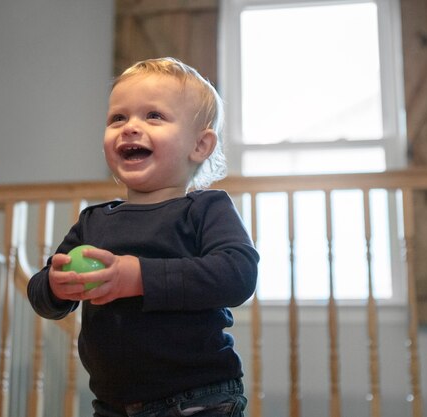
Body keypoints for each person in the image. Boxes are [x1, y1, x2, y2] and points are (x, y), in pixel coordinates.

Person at [27, 57, 259, 417]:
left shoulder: (206, 209)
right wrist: (57, 287)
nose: (130, 127)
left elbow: (238, 274)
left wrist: (139, 278)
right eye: (117, 118)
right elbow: (41, 293)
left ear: (200, 145)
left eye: (154, 116)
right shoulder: (94, 222)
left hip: (199, 400)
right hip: (113, 405)